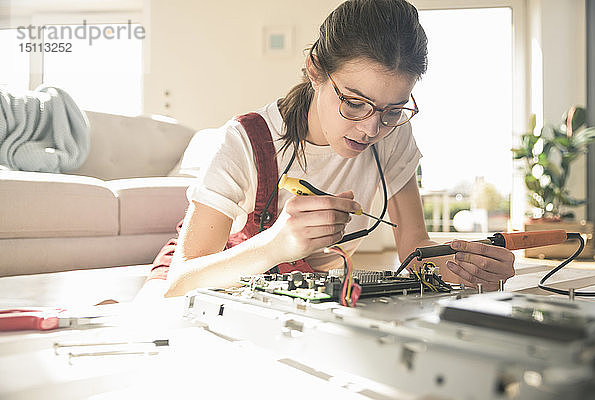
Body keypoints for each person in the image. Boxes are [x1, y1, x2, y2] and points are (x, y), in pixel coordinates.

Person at [138, 0, 515, 300]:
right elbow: (182, 280)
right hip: (202, 277)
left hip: (287, 294)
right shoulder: (246, 140)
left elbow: (413, 248)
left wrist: (467, 266)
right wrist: (277, 244)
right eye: (354, 102)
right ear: (315, 70)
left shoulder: (393, 135)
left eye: (392, 110)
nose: (371, 128)